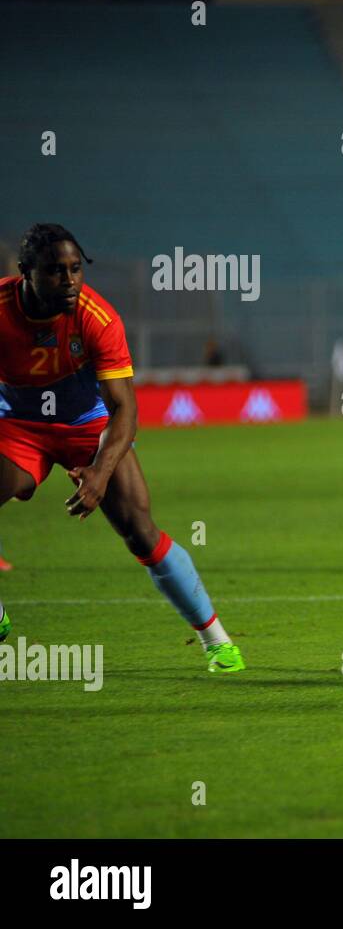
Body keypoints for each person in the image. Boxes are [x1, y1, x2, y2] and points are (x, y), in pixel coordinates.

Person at [0, 224, 245, 673]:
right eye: (55, 271)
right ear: (25, 273)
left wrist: (99, 470)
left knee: (139, 529)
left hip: (87, 427)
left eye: (76, 269)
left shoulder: (98, 318)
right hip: (17, 426)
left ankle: (217, 641)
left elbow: (124, 411)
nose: (70, 280)